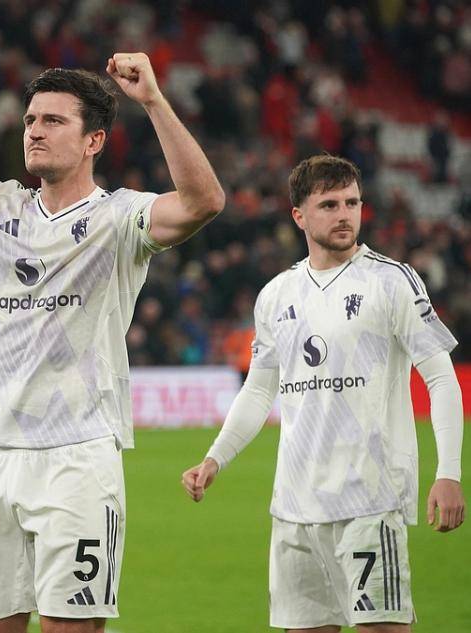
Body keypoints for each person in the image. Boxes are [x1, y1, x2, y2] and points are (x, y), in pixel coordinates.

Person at [0, 36, 225, 632]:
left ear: (93, 141)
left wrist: (154, 102)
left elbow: (203, 201)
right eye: (31, 119)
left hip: (77, 457)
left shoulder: (120, 218)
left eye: (54, 121)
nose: (34, 130)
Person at [182, 154, 465, 632]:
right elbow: (259, 389)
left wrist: (449, 473)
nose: (344, 214)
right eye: (329, 205)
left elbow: (441, 379)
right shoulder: (276, 294)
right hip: (294, 509)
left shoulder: (391, 281)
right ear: (299, 215)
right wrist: (215, 458)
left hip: (369, 502)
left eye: (352, 203)